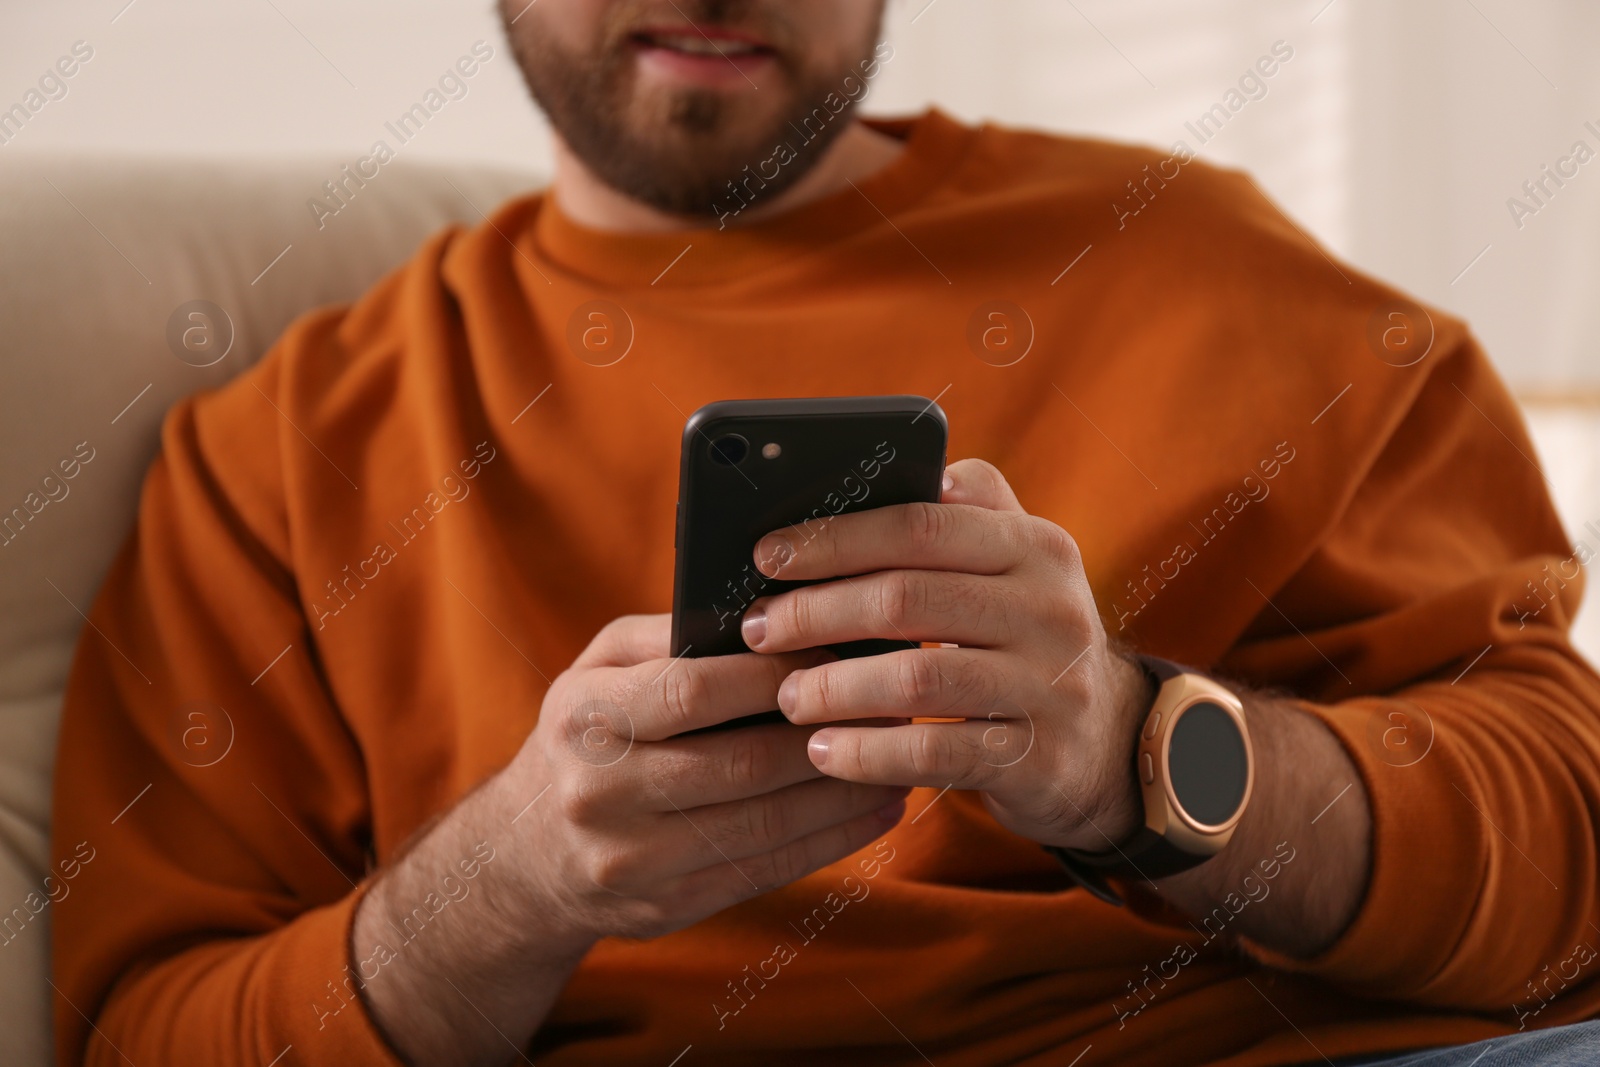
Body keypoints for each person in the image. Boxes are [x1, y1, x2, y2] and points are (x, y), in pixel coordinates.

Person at [50, 2, 1600, 1065]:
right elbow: (153, 1035)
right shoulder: (284, 455)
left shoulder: (1228, 279)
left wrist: (1132, 753)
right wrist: (516, 880)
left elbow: (1571, 859)